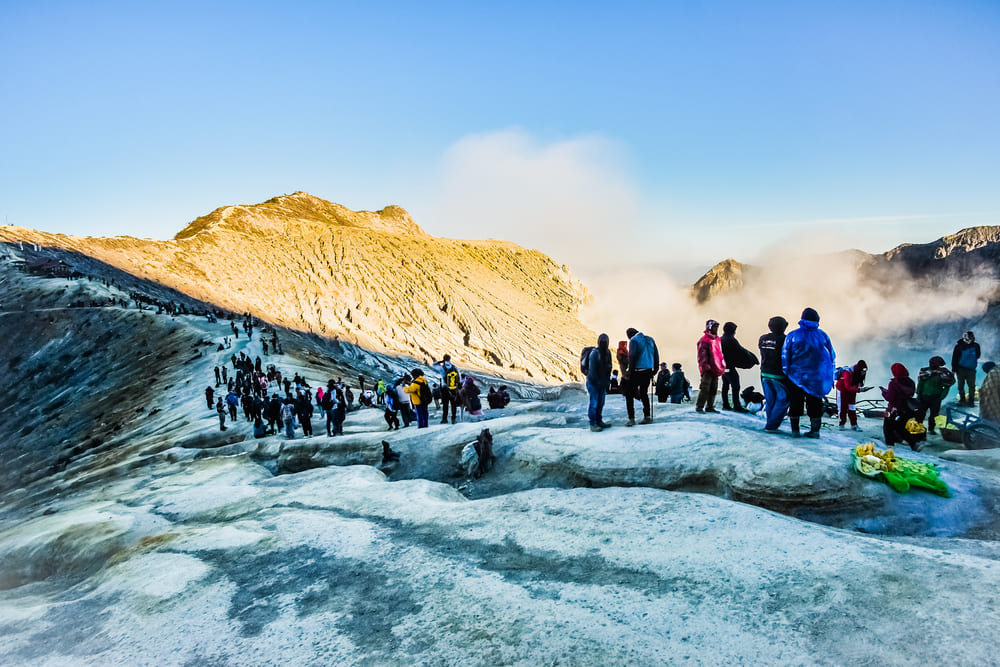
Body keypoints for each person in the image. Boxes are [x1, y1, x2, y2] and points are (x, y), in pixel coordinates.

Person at [782, 308, 835, 438]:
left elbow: (785, 355)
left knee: (795, 402)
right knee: (816, 404)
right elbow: (832, 356)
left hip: (796, 377)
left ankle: (795, 431)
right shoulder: (822, 335)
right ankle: (815, 432)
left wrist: (786, 372)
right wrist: (830, 376)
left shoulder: (792, 335)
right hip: (817, 378)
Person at [758, 316, 790, 432]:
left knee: (770, 400)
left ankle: (770, 423)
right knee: (783, 400)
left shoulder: (762, 339)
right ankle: (771, 426)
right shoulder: (785, 340)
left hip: (765, 373)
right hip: (779, 375)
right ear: (784, 326)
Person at [720, 321, 758, 412]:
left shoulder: (721, 339)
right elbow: (740, 351)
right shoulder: (731, 340)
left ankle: (725, 405)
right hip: (729, 367)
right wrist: (752, 359)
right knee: (735, 386)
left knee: (725, 385)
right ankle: (736, 406)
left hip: (722, 367)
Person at [626, 328, 659, 426]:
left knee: (629, 394)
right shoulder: (650, 339)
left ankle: (631, 418)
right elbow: (656, 355)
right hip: (648, 371)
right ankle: (647, 416)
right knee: (644, 394)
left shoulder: (634, 341)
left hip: (637, 371)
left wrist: (630, 371)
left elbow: (632, 356)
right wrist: (655, 369)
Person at [881, 363, 918, 450]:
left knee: (887, 427)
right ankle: (914, 443)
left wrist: (884, 392)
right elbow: (910, 394)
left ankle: (890, 446)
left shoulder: (893, 383)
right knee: (901, 428)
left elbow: (890, 398)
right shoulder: (911, 382)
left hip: (894, 409)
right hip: (906, 409)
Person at [916, 356, 955, 434]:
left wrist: (941, 396)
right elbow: (920, 383)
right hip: (924, 397)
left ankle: (931, 429)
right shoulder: (925, 371)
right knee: (921, 414)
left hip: (935, 397)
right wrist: (919, 394)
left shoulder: (942, 373)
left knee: (933, 415)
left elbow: (947, 385)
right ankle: (919, 429)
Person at [585, 333, 613, 432]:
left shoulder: (608, 353)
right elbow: (592, 372)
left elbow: (610, 367)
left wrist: (606, 381)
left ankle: (599, 421)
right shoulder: (594, 354)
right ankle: (593, 423)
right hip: (594, 383)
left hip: (602, 383)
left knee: (600, 403)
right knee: (594, 403)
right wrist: (598, 382)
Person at [696, 320, 726, 414]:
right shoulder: (704, 340)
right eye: (714, 327)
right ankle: (700, 407)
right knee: (705, 388)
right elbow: (702, 355)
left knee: (714, 388)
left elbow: (719, 353)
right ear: (709, 327)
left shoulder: (717, 339)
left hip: (716, 368)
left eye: (717, 327)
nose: (716, 329)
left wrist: (721, 365)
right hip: (708, 369)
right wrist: (706, 367)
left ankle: (710, 406)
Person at [835, 361, 870, 431]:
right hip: (842, 390)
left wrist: (859, 387)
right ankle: (841, 424)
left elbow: (854, 385)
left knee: (852, 408)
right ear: (859, 370)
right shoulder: (847, 373)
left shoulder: (857, 374)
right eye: (862, 371)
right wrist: (860, 390)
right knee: (842, 407)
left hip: (852, 391)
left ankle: (854, 424)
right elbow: (847, 386)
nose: (863, 373)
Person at [952, 331, 981, 406]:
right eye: (971, 336)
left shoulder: (958, 346)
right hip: (970, 369)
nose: (973, 337)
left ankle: (963, 400)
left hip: (961, 369)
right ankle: (970, 401)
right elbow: (978, 355)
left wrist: (954, 370)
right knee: (971, 385)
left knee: (961, 385)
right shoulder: (976, 346)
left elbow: (955, 358)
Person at [434, 355, 461, 424]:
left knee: (445, 405)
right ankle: (453, 418)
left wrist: (440, 362)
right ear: (450, 359)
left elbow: (434, 365)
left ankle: (444, 419)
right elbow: (459, 378)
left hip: (445, 388)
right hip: (454, 388)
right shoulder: (454, 367)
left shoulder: (442, 367)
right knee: (453, 404)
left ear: (443, 359)